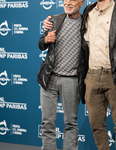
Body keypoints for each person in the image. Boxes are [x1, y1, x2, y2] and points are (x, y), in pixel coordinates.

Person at [44, 0, 116, 149]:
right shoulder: (89, 11)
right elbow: (70, 18)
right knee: (96, 125)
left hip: (114, 76)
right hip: (92, 76)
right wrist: (50, 22)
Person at [37, 0, 87, 149]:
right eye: (66, 0)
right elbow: (41, 44)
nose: (68, 2)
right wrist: (46, 39)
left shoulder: (87, 23)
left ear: (82, 2)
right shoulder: (54, 19)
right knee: (47, 123)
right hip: (49, 78)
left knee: (71, 123)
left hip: (72, 81)